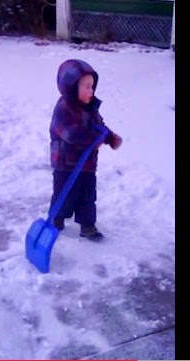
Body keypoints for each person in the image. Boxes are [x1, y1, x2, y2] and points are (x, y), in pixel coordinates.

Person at [49, 59, 122, 241]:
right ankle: (56, 218)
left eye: (92, 86)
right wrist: (91, 140)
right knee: (64, 193)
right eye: (87, 87)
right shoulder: (64, 108)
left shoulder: (90, 108)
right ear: (72, 87)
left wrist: (110, 137)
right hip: (65, 163)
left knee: (88, 195)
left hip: (87, 163)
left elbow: (99, 127)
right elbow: (70, 133)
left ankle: (87, 225)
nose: (91, 91)